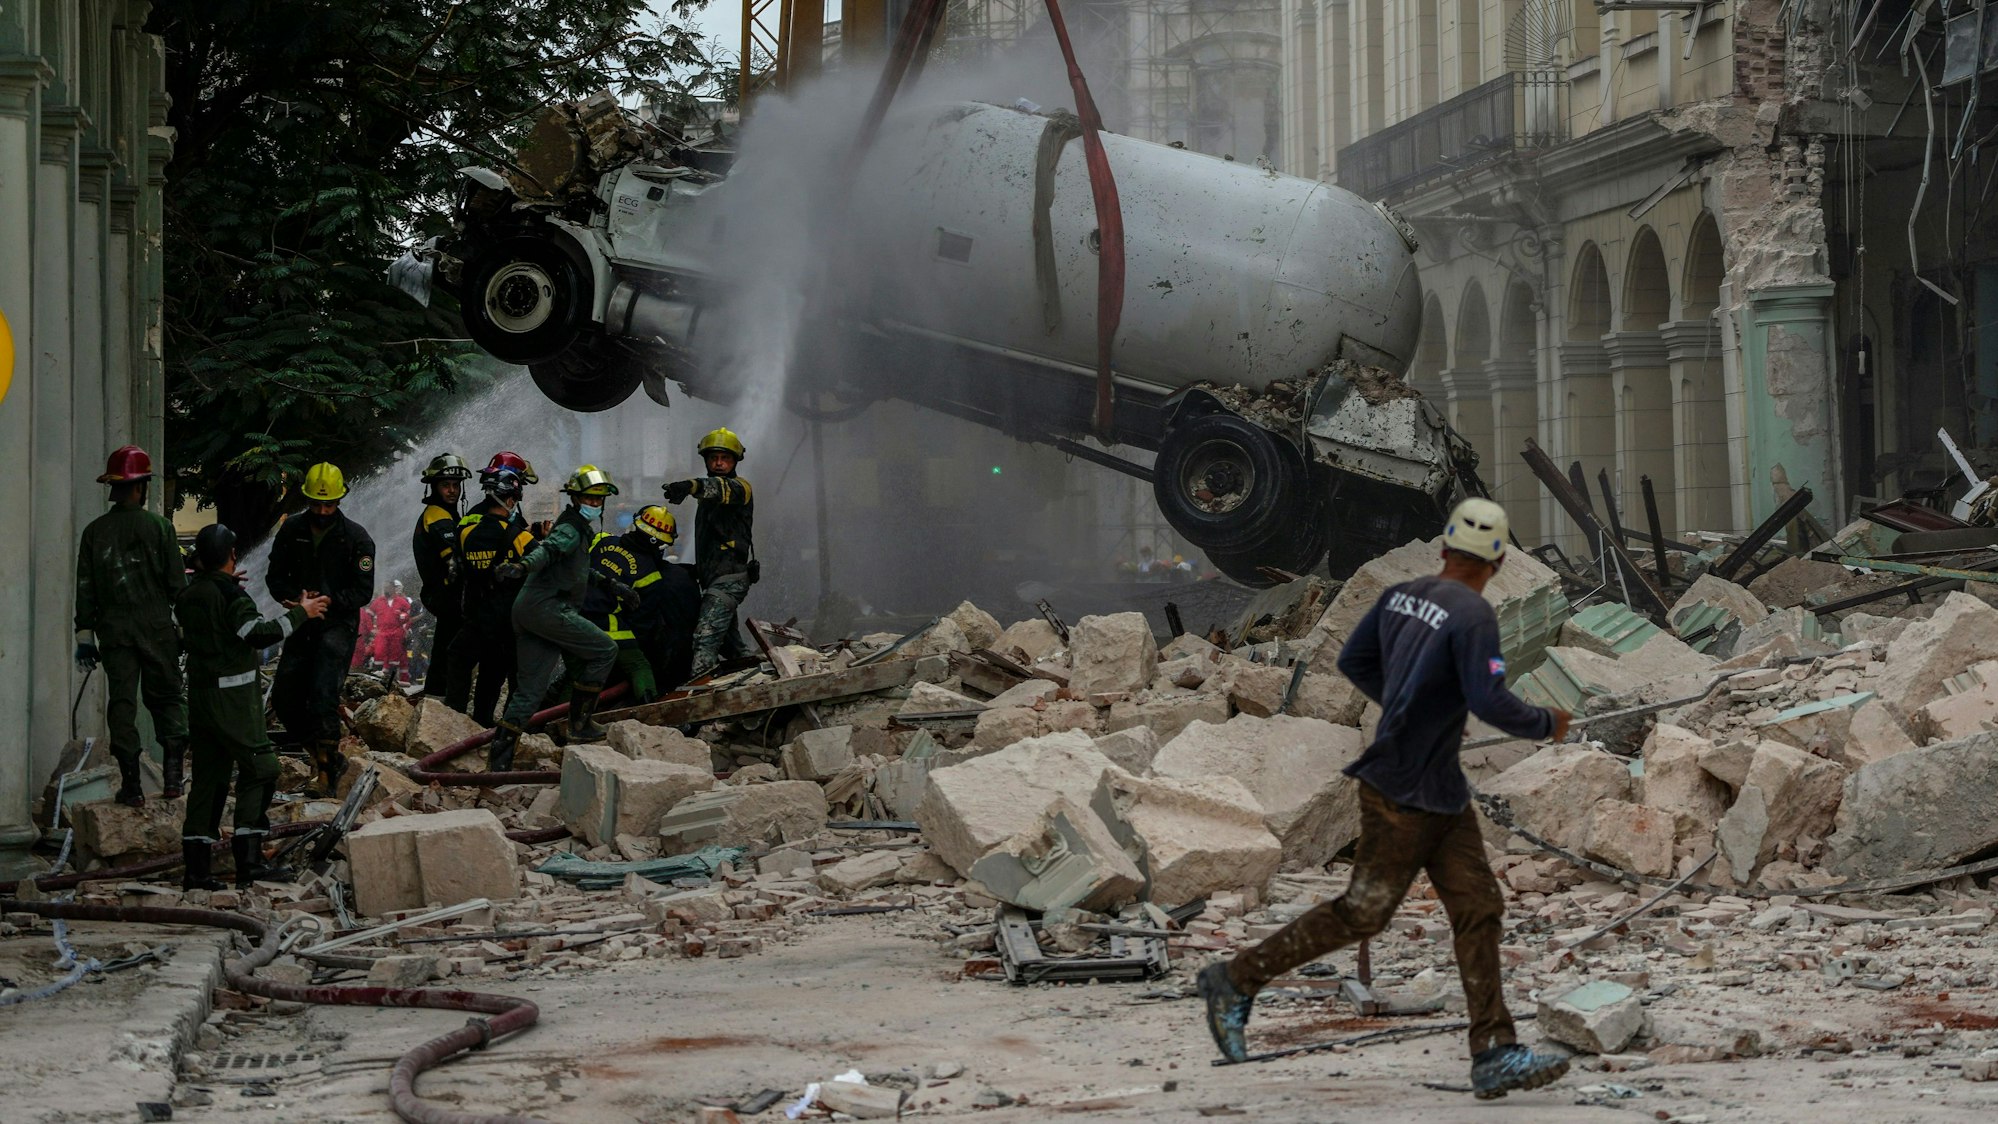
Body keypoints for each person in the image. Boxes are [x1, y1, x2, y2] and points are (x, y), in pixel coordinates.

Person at [1195, 498, 1575, 1100]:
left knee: (1478, 906)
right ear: (1497, 561)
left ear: (1445, 549)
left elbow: (1354, 661)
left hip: (1434, 790)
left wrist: (1405, 700)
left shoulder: (1401, 596)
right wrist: (1546, 722)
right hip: (1406, 793)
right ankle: (1234, 979)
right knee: (1364, 913)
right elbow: (1491, 702)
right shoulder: (1474, 614)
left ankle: (1495, 1053)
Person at [177, 524, 327, 890]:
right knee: (261, 767)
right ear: (231, 556)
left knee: (209, 780)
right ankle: (250, 863)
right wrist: (302, 613)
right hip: (233, 701)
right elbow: (256, 634)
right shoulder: (233, 599)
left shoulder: (190, 594)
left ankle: (196, 872)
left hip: (200, 700)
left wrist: (223, 583)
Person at [484, 465, 628, 769]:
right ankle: (580, 724)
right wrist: (522, 567)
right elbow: (548, 550)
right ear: (575, 498)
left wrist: (611, 584)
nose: (594, 504)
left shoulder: (576, 528)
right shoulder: (570, 529)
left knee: (530, 692)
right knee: (605, 649)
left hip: (530, 611)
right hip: (547, 609)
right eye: (589, 499)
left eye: (598, 499)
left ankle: (499, 759)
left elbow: (575, 568)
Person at [73, 445, 189, 806]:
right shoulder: (161, 528)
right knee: (167, 699)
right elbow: (176, 587)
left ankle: (133, 787)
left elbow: (85, 588)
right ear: (141, 486)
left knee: (122, 704)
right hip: (157, 630)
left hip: (115, 634)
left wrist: (84, 636)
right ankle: (172, 780)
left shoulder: (95, 533)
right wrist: (184, 630)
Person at [265, 462, 376, 797]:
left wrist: (330, 601)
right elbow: (275, 577)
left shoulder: (357, 538)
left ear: (340, 501)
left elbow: (362, 591)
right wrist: (292, 599)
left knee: (324, 696)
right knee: (285, 699)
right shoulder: (291, 530)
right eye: (316, 504)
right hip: (301, 623)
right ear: (307, 500)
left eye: (329, 505)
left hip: (337, 627)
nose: (323, 511)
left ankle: (326, 776)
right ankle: (325, 755)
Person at [447, 452, 538, 726]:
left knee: (458, 658)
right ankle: (490, 730)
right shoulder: (520, 537)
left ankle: (451, 721)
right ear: (510, 499)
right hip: (505, 623)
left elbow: (458, 570)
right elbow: (541, 565)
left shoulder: (465, 531)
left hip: (474, 617)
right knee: (494, 676)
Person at [661, 427, 756, 681]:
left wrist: (689, 486)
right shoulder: (708, 499)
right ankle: (756, 675)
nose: (719, 463)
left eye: (725, 458)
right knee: (730, 644)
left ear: (735, 460)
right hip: (714, 579)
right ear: (706, 460)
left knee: (705, 638)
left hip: (729, 580)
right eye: (713, 458)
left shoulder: (740, 488)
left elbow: (716, 488)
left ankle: (701, 697)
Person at [586, 505, 700, 700]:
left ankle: (550, 717)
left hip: (569, 613)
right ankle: (649, 708)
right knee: (639, 666)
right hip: (606, 626)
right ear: (660, 545)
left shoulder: (603, 540)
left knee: (579, 674)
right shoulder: (650, 574)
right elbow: (642, 624)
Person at [411, 453, 471, 693]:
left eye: (456, 485)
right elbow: (455, 561)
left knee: (447, 645)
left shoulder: (448, 514)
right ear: (434, 487)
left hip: (446, 594)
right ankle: (440, 695)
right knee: (451, 647)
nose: (452, 490)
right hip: (446, 594)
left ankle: (438, 693)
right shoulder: (437, 516)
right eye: (445, 485)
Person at [370, 580, 412, 683]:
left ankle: (391, 681)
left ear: (393, 588)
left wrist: (403, 622)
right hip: (382, 632)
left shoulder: (402, 601)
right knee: (379, 653)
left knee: (395, 657)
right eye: (384, 588)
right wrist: (372, 628)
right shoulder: (378, 601)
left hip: (396, 632)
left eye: (388, 587)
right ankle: (376, 679)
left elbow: (408, 616)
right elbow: (368, 615)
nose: (385, 590)